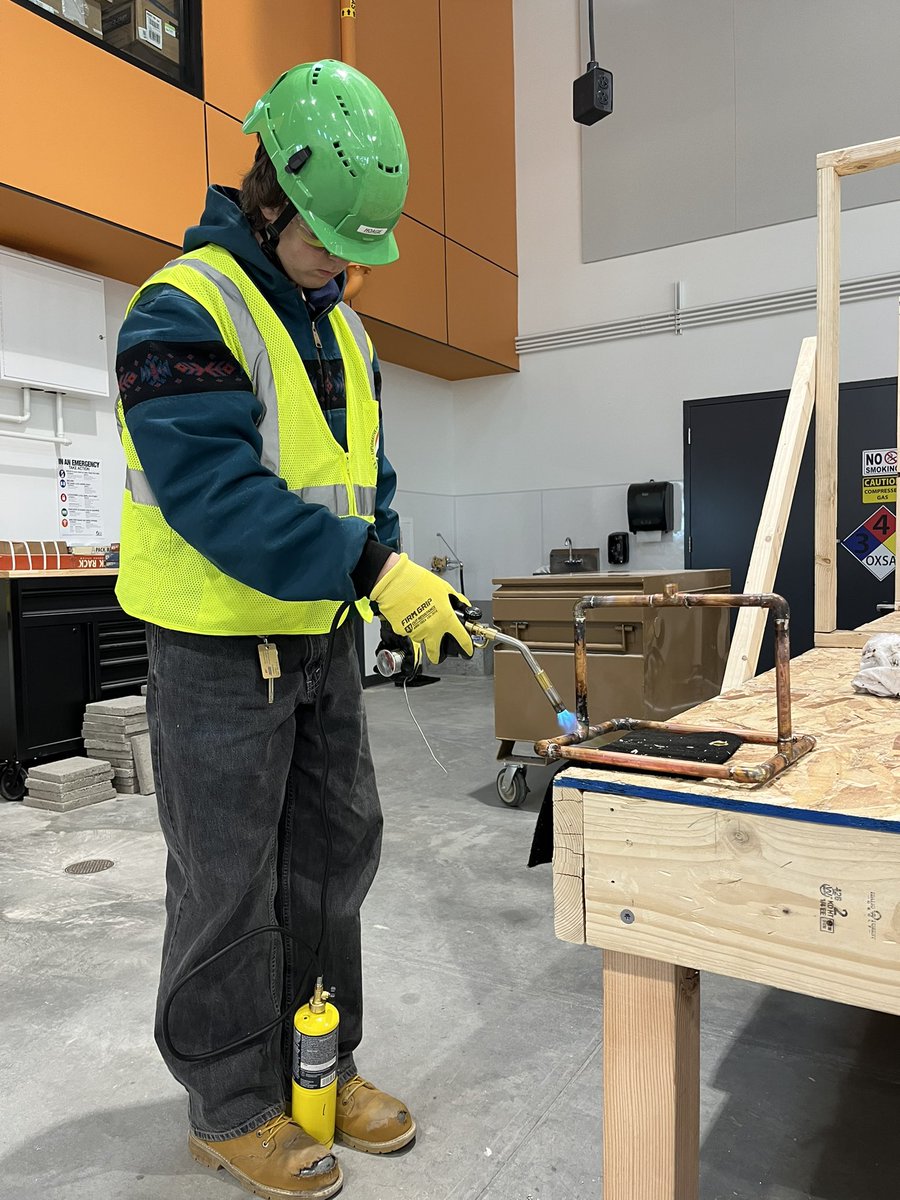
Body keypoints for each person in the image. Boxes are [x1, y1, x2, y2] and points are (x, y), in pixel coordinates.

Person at [114, 59, 473, 1200]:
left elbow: (367, 480)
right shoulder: (182, 309)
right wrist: (367, 564)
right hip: (215, 650)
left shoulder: (343, 330)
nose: (353, 266)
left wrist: (394, 579)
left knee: (333, 860)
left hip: (320, 645)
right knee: (228, 879)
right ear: (267, 193)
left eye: (364, 248)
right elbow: (216, 495)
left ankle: (320, 1061)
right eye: (331, 239)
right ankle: (230, 1103)